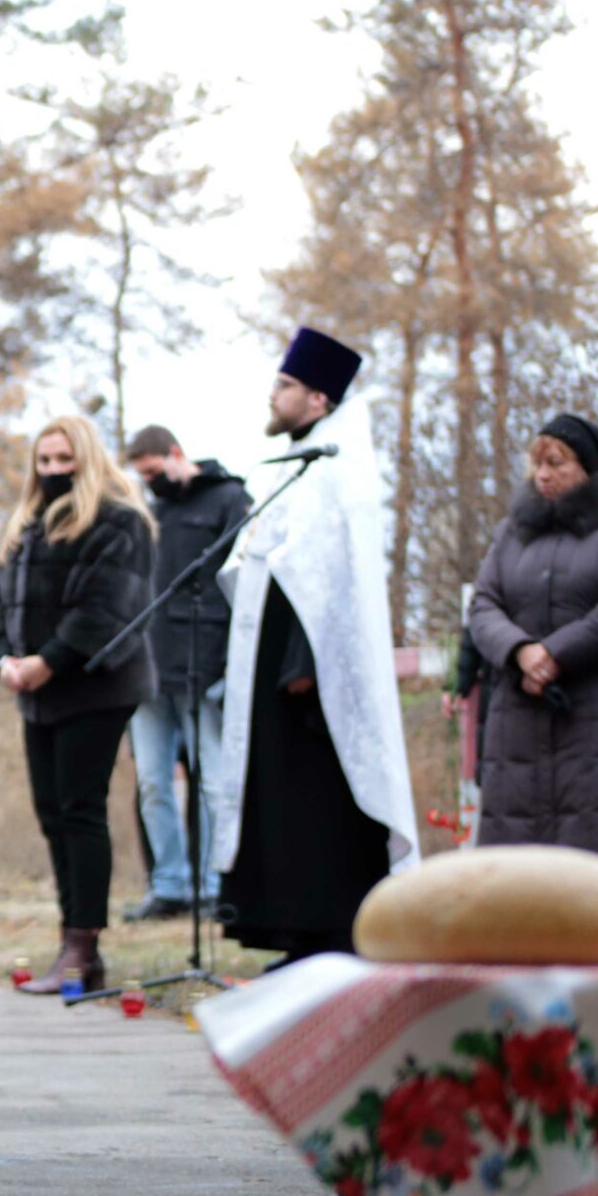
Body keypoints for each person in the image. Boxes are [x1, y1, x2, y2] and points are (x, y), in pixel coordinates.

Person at [215, 329, 418, 964]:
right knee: (278, 804)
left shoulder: (341, 469)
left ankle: (330, 930)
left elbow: (333, 578)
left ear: (319, 398)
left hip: (309, 675)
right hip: (271, 665)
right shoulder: (297, 464)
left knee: (318, 804)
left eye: (285, 386)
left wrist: (303, 664)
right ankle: (290, 933)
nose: (273, 396)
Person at [0, 415, 157, 997]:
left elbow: (107, 608)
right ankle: (72, 941)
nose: (54, 471)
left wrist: (48, 660)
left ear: (86, 459)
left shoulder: (120, 521)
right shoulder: (25, 524)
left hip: (95, 687)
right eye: (45, 461)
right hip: (36, 691)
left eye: (64, 460)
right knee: (52, 812)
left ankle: (83, 949)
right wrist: (4, 659)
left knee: (81, 811)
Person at [468, 413, 598, 865]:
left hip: (597, 719)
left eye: (556, 462)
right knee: (516, 869)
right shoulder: (510, 535)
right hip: (517, 722)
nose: (542, 474)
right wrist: (521, 652)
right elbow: (483, 605)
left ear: (587, 467)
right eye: (537, 463)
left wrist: (554, 653)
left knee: (597, 862)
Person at [120, 425, 251, 921]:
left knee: (213, 781)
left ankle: (216, 884)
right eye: (142, 475)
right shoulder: (153, 513)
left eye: (154, 471)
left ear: (176, 455)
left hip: (204, 661)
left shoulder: (230, 500)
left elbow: (243, 584)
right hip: (148, 667)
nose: (150, 481)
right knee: (153, 781)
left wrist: (229, 664)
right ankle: (169, 884)